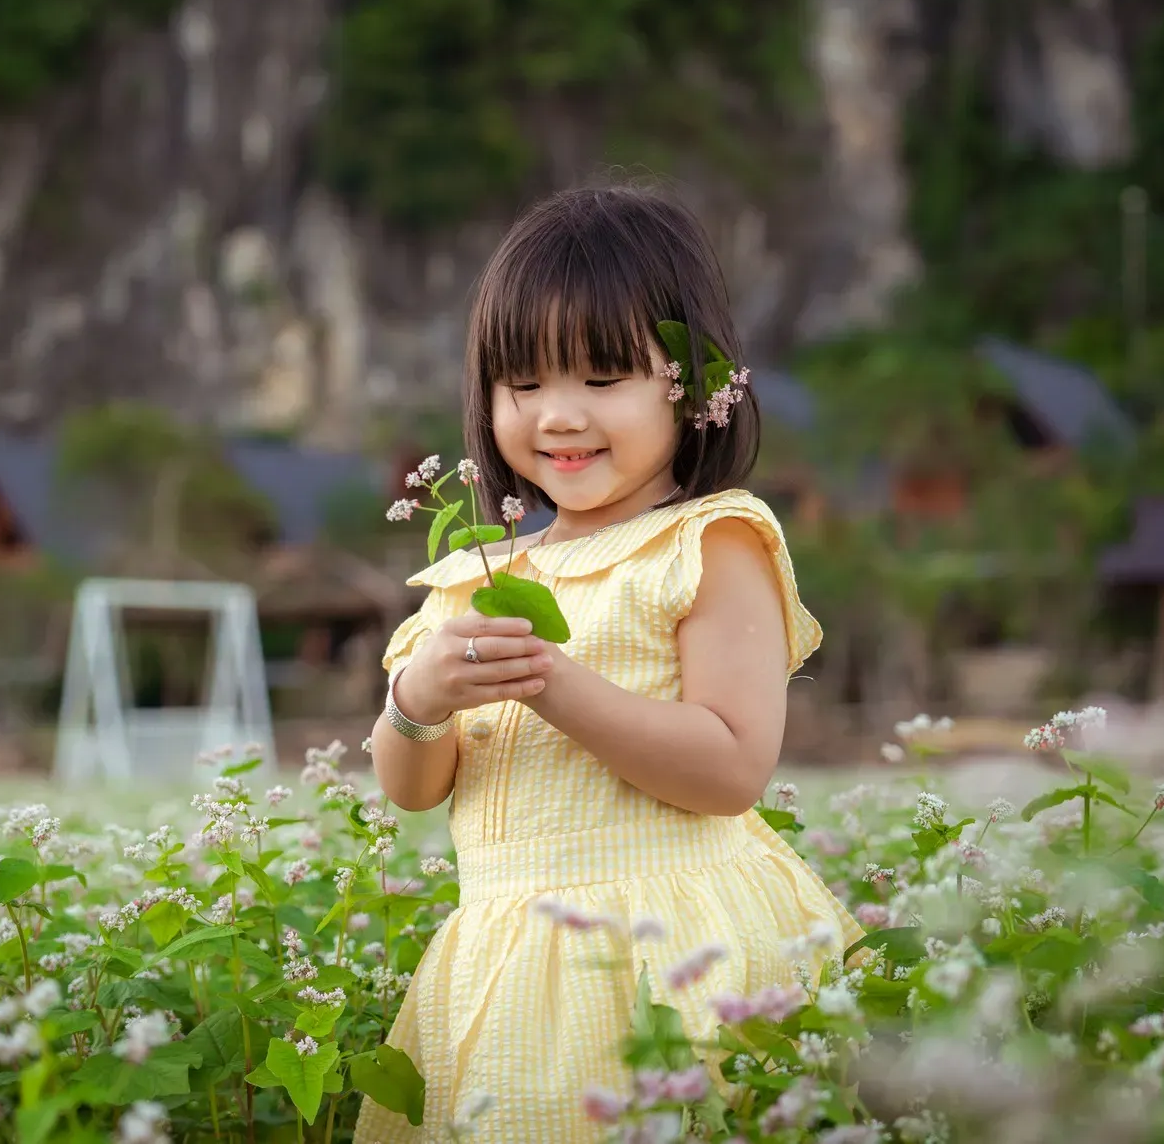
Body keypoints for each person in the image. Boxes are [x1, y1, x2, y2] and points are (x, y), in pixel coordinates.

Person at [358, 185, 863, 1142]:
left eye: (601, 378)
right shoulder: (479, 574)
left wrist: (554, 683)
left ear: (692, 384)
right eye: (524, 385)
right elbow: (414, 787)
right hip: (507, 968)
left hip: (675, 950)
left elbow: (732, 765)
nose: (559, 416)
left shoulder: (709, 542)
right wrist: (417, 698)